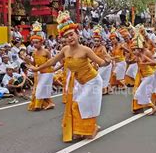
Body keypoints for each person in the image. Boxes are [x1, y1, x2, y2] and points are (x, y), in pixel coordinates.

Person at [30, 11, 110, 142]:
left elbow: (101, 63)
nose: (69, 38)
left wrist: (107, 60)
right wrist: (37, 68)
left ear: (77, 34)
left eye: (71, 34)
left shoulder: (86, 50)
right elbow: (51, 62)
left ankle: (90, 129)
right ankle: (81, 129)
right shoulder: (65, 50)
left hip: (92, 81)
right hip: (80, 82)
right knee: (78, 105)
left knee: (81, 104)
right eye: (66, 36)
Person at [26, 22, 55, 111]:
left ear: (41, 42)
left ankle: (38, 105)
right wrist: (26, 60)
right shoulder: (34, 53)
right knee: (43, 89)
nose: (35, 44)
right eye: (33, 43)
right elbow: (34, 64)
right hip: (40, 73)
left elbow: (52, 63)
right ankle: (49, 103)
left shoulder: (46, 52)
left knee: (40, 88)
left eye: (37, 42)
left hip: (47, 73)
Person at [131, 26, 156, 115]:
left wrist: (144, 62)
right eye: (134, 49)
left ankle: (153, 107)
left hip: (150, 76)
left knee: (139, 93)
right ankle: (153, 105)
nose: (134, 50)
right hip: (145, 77)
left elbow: (154, 63)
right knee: (141, 93)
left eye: (135, 49)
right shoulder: (137, 55)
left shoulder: (144, 54)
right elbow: (131, 61)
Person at [92, 25, 112, 94]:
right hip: (100, 65)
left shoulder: (102, 47)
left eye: (97, 41)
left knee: (99, 77)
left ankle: (105, 88)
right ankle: (107, 88)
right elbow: (92, 57)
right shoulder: (93, 48)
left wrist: (109, 59)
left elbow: (106, 55)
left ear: (100, 41)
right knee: (100, 78)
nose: (96, 42)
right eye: (95, 41)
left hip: (106, 64)